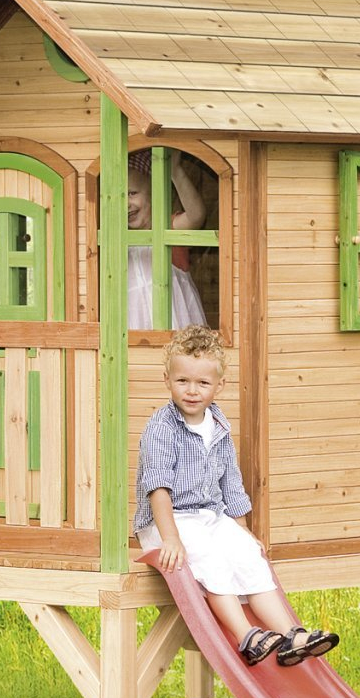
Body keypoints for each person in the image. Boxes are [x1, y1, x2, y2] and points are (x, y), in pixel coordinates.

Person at [135, 325, 339, 666]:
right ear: (167, 379)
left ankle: (291, 634)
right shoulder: (162, 428)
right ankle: (247, 635)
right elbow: (158, 487)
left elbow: (231, 483)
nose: (192, 391)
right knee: (211, 558)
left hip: (209, 516)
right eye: (182, 381)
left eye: (203, 383)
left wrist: (241, 529)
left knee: (247, 554)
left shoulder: (219, 424)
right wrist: (169, 540)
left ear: (219, 386)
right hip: (167, 521)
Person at [126, 149, 207, 330]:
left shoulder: (169, 226)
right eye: (121, 196)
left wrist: (175, 172)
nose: (126, 203)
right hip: (134, 327)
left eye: (132, 193)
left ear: (154, 193)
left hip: (175, 323)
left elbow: (196, 215)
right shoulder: (119, 239)